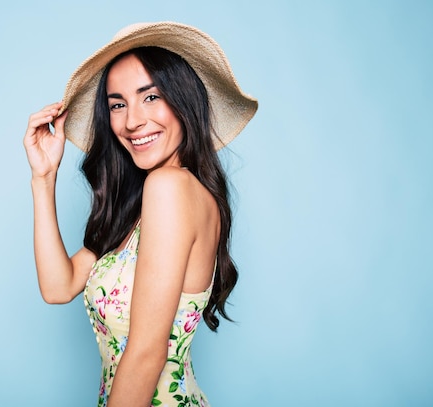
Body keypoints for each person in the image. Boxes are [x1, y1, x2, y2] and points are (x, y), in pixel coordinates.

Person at [23, 21, 257, 407]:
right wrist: (43, 177)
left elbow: (147, 351)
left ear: (184, 102)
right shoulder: (143, 207)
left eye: (151, 97)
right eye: (118, 104)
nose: (132, 121)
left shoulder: (170, 188)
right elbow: (58, 286)